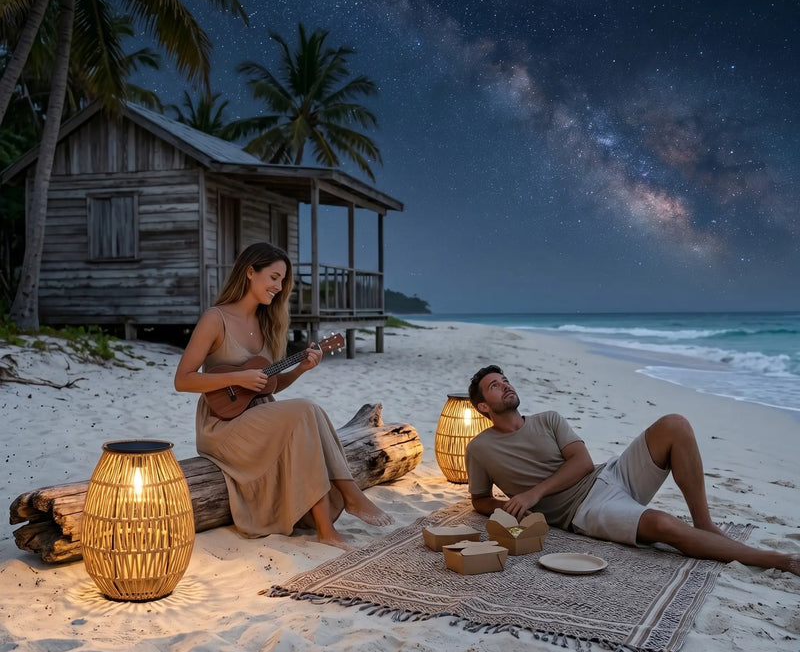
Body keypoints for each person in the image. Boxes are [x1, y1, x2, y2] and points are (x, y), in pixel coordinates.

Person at [465, 365, 800, 575]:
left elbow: (581, 463)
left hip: (607, 475)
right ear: (483, 406)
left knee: (674, 424)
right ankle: (779, 560)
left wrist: (533, 493)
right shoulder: (480, 449)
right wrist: (509, 508)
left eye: (506, 380)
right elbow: (479, 499)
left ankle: (705, 524)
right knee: (662, 524)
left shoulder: (548, 419)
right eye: (496, 385)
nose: (507, 385)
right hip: (584, 510)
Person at [174, 242, 393, 550]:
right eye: (274, 277)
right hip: (222, 425)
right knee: (307, 410)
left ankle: (328, 526)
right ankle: (349, 499)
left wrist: (301, 368)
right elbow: (182, 380)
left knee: (308, 412)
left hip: (259, 416)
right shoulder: (216, 319)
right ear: (250, 272)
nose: (278, 287)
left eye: (282, 281)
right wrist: (238, 376)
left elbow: (269, 387)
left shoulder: (268, 323)